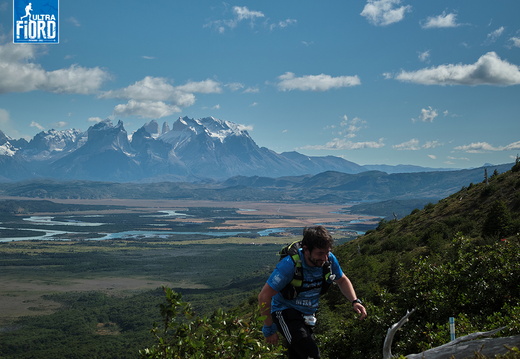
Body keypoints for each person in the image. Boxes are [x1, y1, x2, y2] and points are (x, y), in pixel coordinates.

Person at [258, 225, 367, 359]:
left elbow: (342, 280)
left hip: (307, 314)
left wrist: (355, 301)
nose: (325, 258)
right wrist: (269, 328)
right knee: (311, 354)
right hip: (285, 311)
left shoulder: (329, 260)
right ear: (306, 250)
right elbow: (264, 296)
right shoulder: (289, 265)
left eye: (327, 252)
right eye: (320, 253)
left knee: (298, 354)